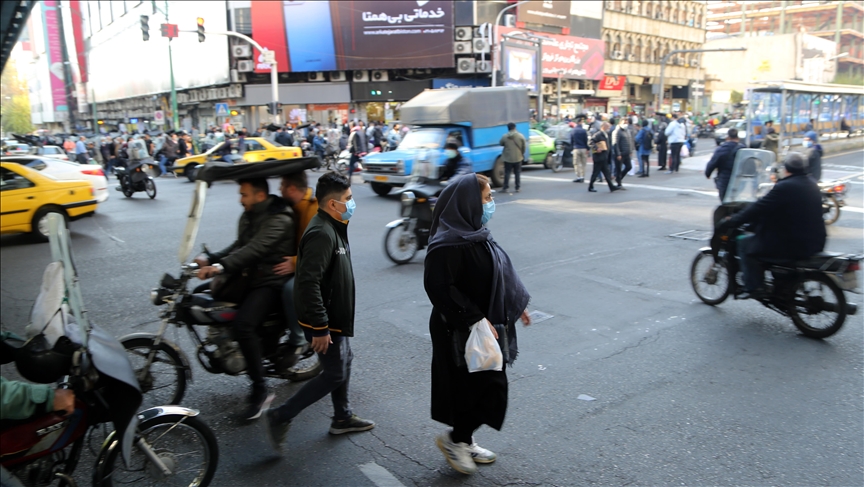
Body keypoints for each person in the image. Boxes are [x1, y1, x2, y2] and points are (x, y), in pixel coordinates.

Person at [422, 173, 531, 475]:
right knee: (480, 388)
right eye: (487, 197)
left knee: (480, 388)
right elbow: (439, 288)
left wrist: (515, 304)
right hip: (458, 327)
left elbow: (500, 273)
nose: (491, 203)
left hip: (486, 325)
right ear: (469, 202)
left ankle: (464, 439)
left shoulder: (477, 232)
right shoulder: (447, 244)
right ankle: (456, 439)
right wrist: (474, 318)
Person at [264, 172, 375, 453]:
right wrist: (321, 327)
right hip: (326, 320)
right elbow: (308, 283)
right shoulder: (322, 233)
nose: (352, 203)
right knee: (334, 373)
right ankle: (280, 415)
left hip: (334, 317)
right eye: (348, 199)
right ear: (333, 204)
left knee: (343, 362)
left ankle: (342, 416)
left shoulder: (334, 224)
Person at [195, 178, 296, 420]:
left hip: (270, 280)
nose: (240, 199)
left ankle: (260, 391)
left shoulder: (279, 219)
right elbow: (240, 245)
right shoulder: (251, 214)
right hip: (250, 275)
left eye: (244, 194)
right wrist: (211, 258)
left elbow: (255, 249)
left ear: (260, 196)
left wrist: (220, 267)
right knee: (202, 294)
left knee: (244, 325)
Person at [721, 153, 826, 299]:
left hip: (792, 244)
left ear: (786, 169)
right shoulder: (811, 184)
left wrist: (734, 220)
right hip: (815, 241)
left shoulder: (785, 187)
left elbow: (758, 207)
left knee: (744, 244)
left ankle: (754, 287)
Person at [272, 171, 319, 363]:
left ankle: (299, 338)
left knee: (290, 289)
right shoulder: (292, 206)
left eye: (282, 185)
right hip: (300, 260)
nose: (279, 190)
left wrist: (294, 263)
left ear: (291, 188)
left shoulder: (315, 209)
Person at [705, 128, 743, 202]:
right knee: (735, 200)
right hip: (739, 180)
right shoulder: (743, 149)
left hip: (724, 180)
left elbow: (713, 162)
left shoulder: (721, 149)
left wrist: (708, 173)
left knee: (724, 201)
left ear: (727, 137)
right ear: (738, 138)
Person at [588, 122, 618, 193]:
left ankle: (611, 187)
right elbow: (590, 142)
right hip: (599, 158)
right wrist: (596, 148)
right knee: (596, 172)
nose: (609, 128)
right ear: (603, 127)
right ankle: (590, 186)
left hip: (604, 157)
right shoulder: (598, 134)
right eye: (607, 127)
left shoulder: (606, 135)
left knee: (607, 173)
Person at [499, 122, 526, 194]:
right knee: (517, 173)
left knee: (507, 173)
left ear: (508, 128)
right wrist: (521, 153)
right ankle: (517, 187)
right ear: (515, 127)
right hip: (518, 157)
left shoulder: (505, 136)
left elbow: (501, 143)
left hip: (508, 158)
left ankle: (505, 188)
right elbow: (524, 147)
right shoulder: (520, 136)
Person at [611, 119, 633, 188]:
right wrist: (618, 154)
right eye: (624, 122)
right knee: (618, 169)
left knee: (629, 167)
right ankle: (619, 183)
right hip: (620, 153)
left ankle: (619, 178)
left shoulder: (627, 131)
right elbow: (615, 143)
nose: (626, 124)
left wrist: (630, 151)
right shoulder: (617, 131)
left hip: (626, 153)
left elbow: (630, 141)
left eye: (627, 122)